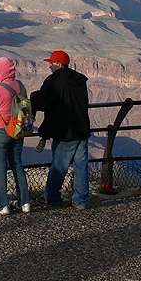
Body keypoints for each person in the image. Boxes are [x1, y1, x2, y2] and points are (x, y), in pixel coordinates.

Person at [31, 50, 91, 209]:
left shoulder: (53, 81)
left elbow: (44, 100)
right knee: (81, 165)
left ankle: (52, 197)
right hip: (82, 128)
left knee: (59, 165)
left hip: (65, 131)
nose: (49, 66)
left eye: (51, 63)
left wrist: (32, 97)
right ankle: (81, 200)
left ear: (58, 63)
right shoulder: (79, 79)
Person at [0, 57, 31, 214]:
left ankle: (2, 205)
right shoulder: (21, 86)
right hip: (17, 131)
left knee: (0, 168)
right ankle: (25, 203)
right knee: (17, 165)